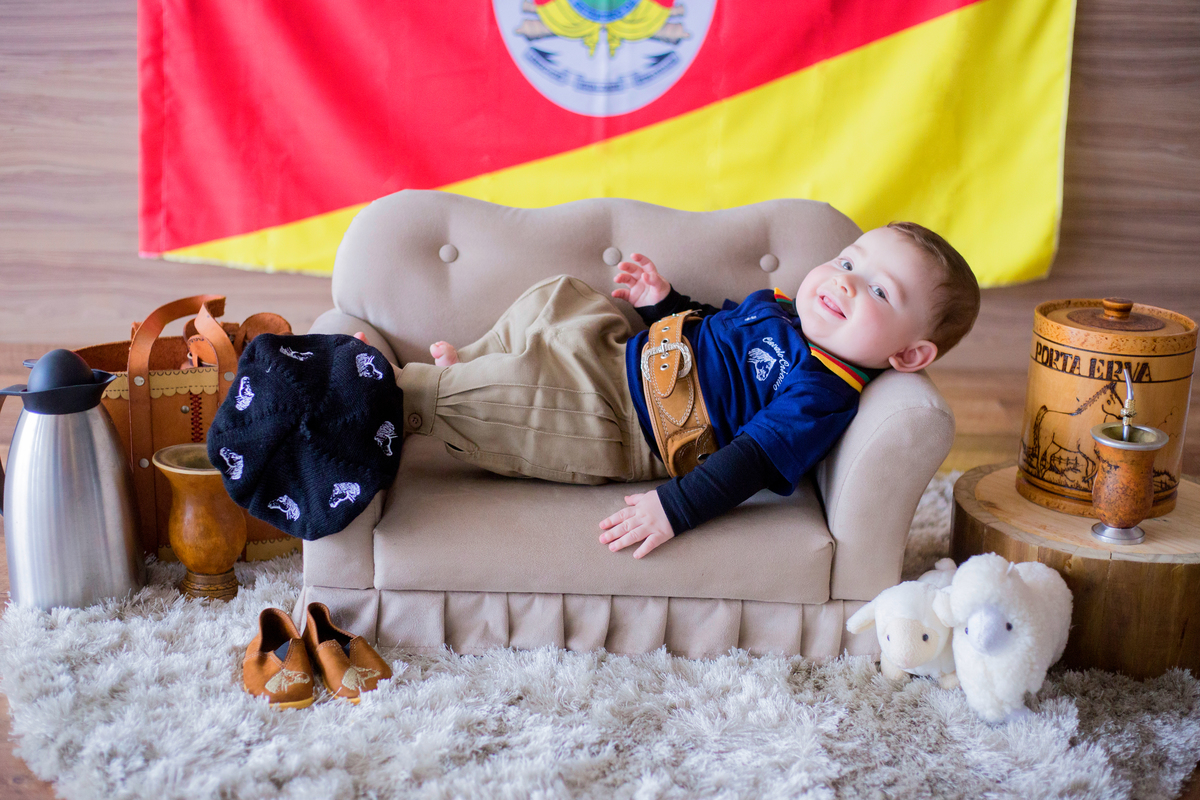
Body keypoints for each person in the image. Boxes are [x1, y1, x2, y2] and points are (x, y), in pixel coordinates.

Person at [358, 221, 979, 559]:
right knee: (562, 295)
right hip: (620, 354)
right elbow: (714, 329)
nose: (846, 283)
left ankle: (411, 392)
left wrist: (674, 509)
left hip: (622, 422)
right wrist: (665, 302)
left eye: (877, 291)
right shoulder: (780, 310)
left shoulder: (825, 388)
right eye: (849, 263)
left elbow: (753, 460)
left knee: (513, 396)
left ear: (908, 354)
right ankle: (471, 355)